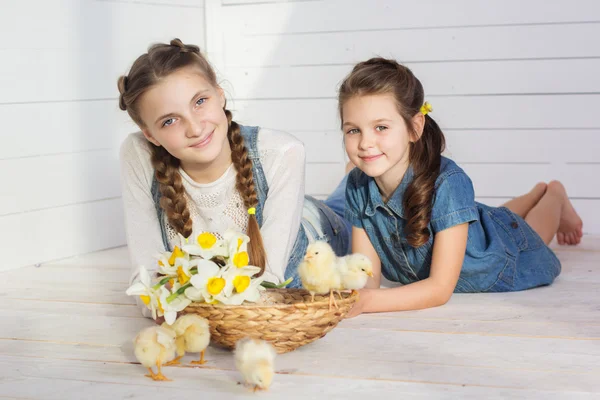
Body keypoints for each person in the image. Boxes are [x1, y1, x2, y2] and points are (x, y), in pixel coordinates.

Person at [117, 39, 351, 316]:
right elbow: (146, 281)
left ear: (220, 95)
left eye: (200, 102)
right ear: (150, 135)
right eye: (170, 120)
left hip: (314, 227)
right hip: (282, 210)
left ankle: (351, 179)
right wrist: (161, 300)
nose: (194, 128)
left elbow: (269, 283)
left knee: (346, 205)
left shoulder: (281, 151)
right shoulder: (139, 153)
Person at [339, 57, 583, 317]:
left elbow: (439, 289)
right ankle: (535, 193)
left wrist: (365, 303)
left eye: (381, 127)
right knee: (490, 219)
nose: (365, 142)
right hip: (482, 227)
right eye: (353, 130)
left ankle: (554, 194)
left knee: (529, 233)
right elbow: (368, 279)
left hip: (503, 255)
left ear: (414, 128)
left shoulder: (448, 182)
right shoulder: (357, 185)